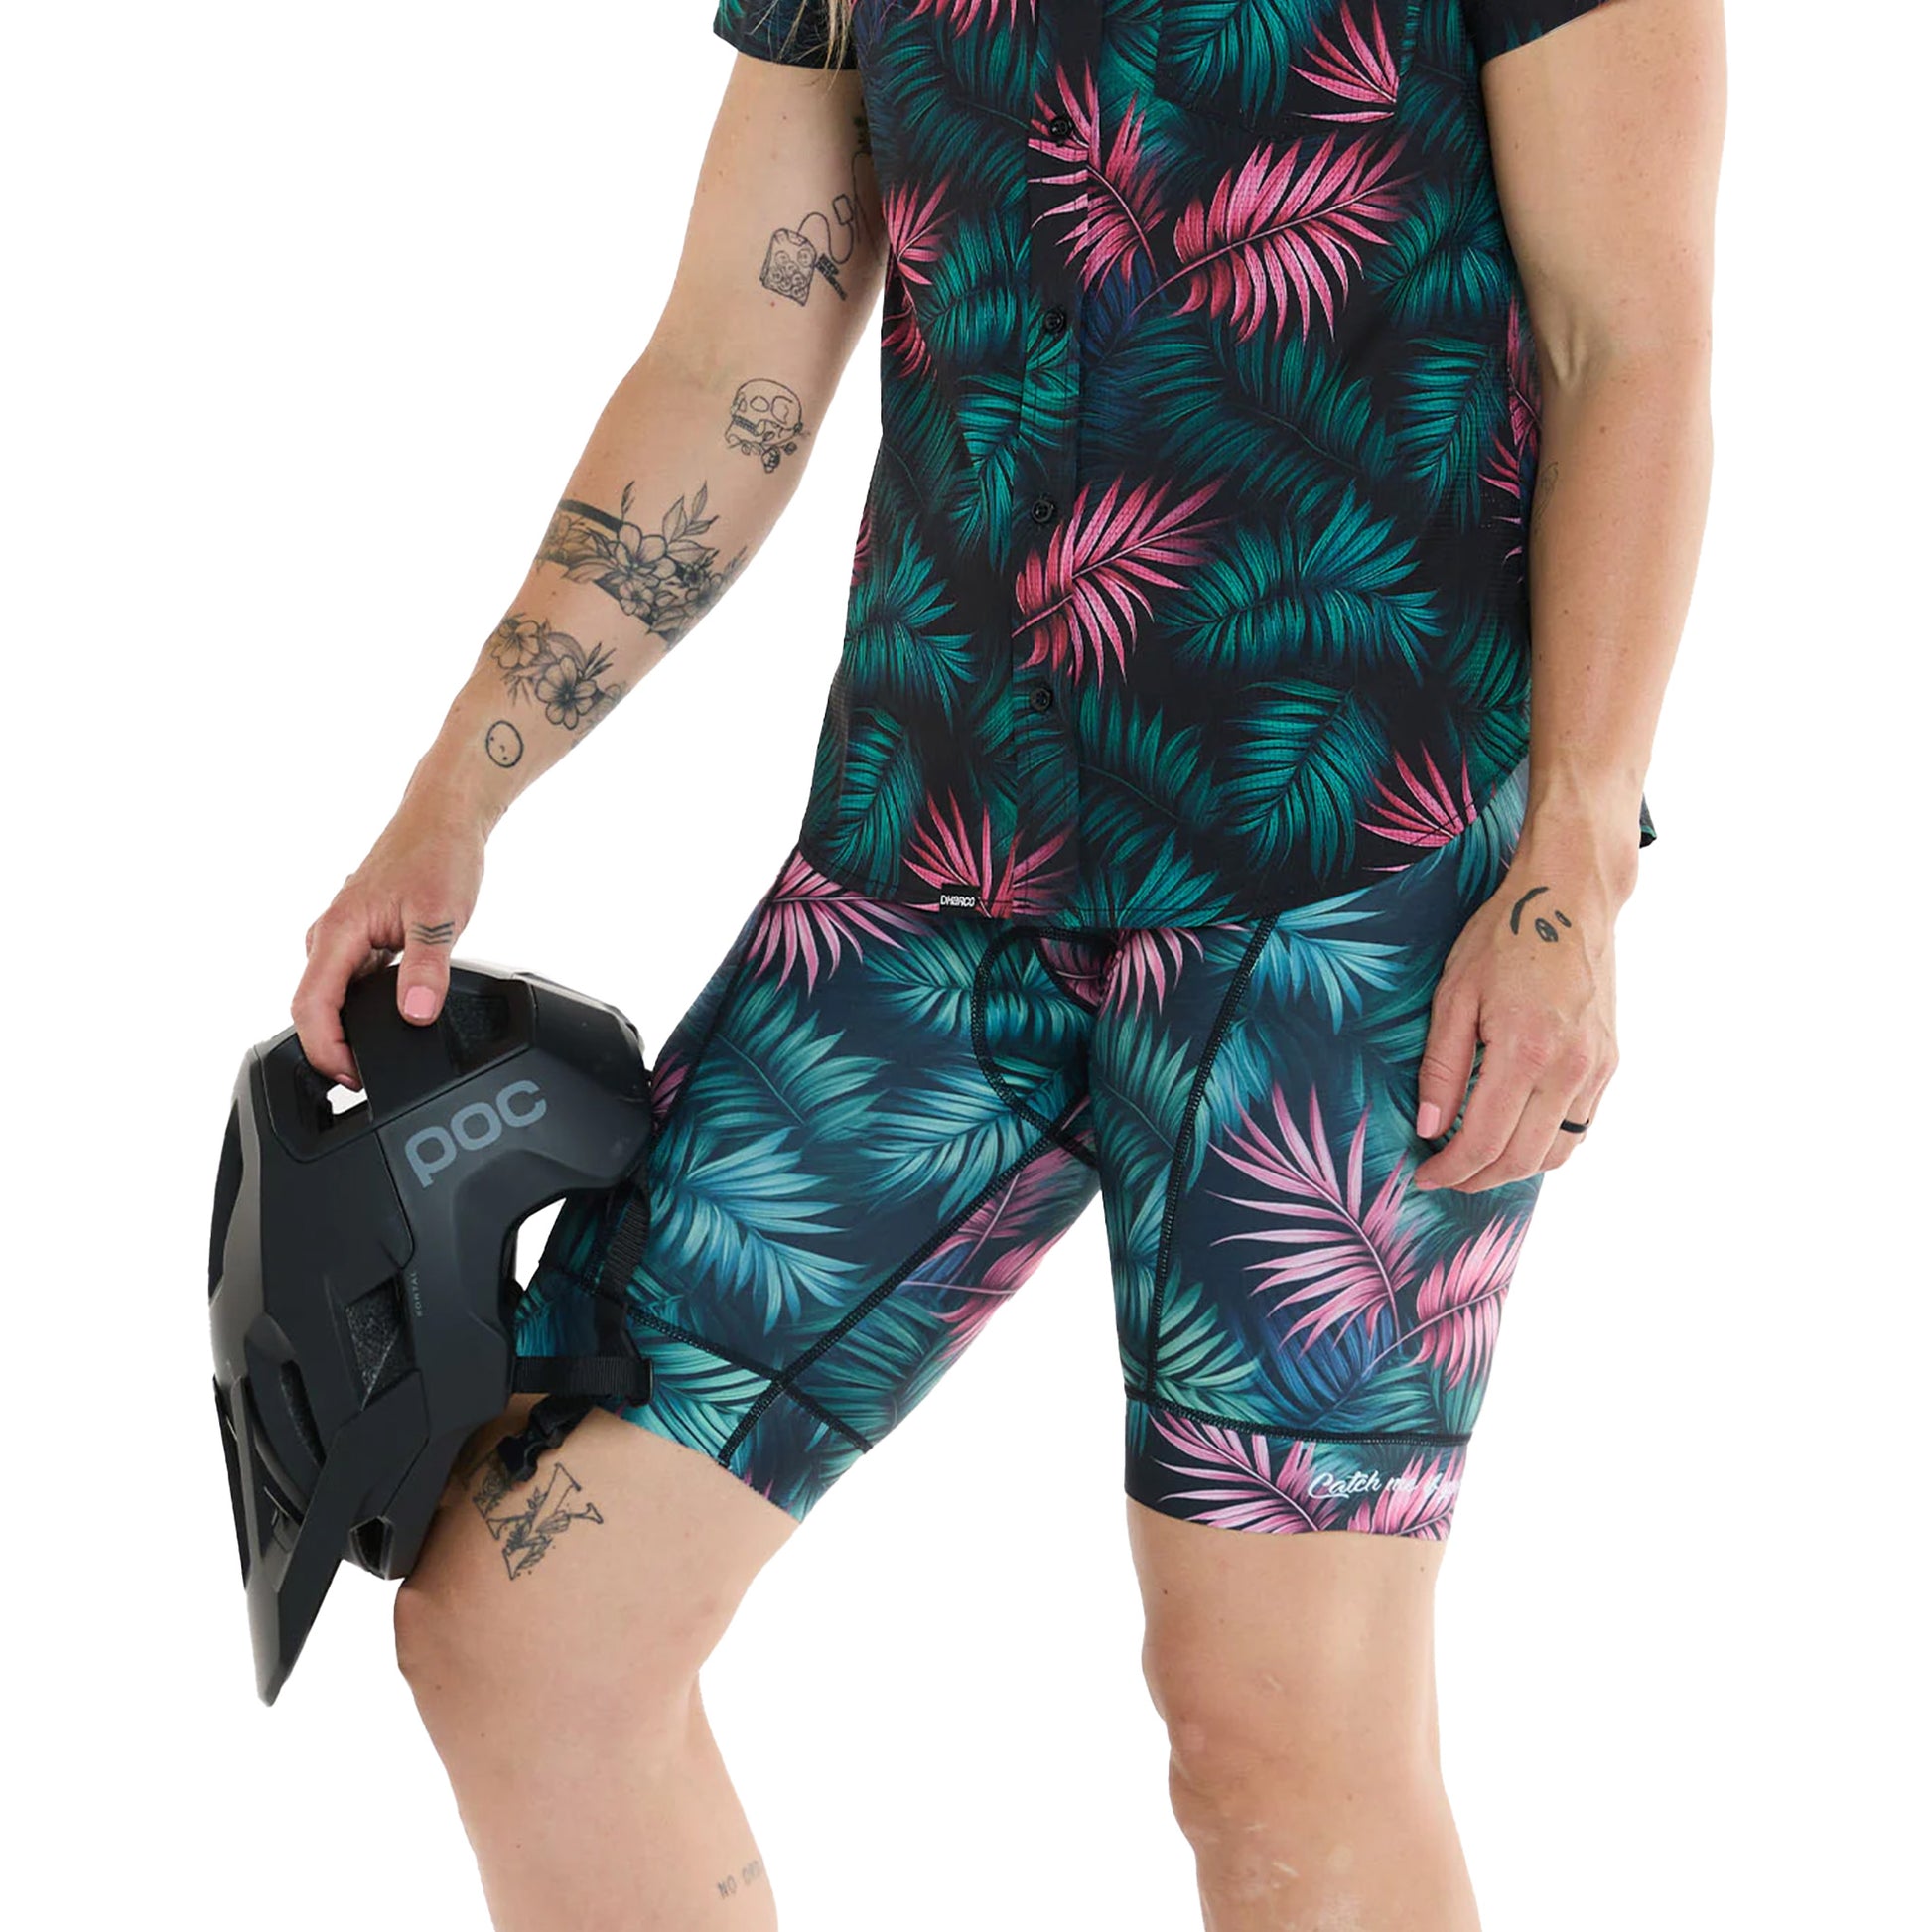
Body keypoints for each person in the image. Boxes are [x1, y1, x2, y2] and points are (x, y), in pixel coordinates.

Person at [290, 0, 1723, 1924]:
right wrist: (459, 786)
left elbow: (1628, 337)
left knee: (1273, 1737)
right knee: (520, 1621)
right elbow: (734, 346)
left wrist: (1571, 871)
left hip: (1346, 896)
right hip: (930, 864)